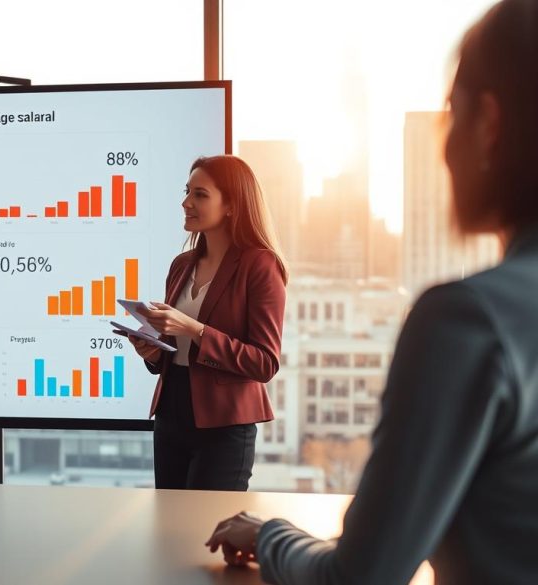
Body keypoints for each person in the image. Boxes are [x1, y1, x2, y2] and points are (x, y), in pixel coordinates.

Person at [206, 1, 538, 582]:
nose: (445, 145)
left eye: (451, 115)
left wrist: (271, 533)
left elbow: (361, 576)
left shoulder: (467, 321)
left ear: (489, 124)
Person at [123, 155, 288, 490]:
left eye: (200, 194)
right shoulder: (182, 264)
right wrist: (152, 350)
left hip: (224, 426)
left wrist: (193, 329)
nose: (186, 202)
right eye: (187, 192)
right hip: (171, 414)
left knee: (204, 534)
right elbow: (175, 352)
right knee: (168, 527)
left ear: (231, 205)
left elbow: (265, 363)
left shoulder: (260, 265)